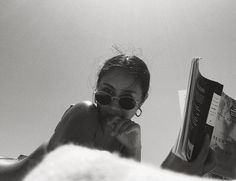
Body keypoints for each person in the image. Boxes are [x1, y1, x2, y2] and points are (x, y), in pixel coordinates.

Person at [0, 51, 215, 181]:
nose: (113, 106)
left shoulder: (127, 140)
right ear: (96, 90)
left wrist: (134, 148)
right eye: (105, 95)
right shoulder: (84, 114)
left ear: (142, 102)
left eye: (126, 101)